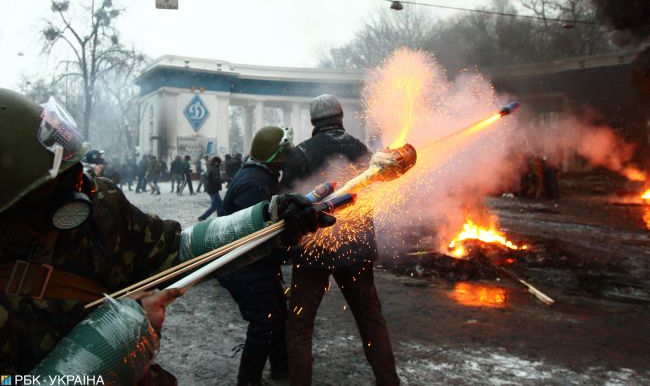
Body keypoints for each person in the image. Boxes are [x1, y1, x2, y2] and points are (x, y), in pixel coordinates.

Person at [0, 88, 336, 381]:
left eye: (75, 170)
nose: (83, 186)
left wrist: (267, 221)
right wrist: (104, 352)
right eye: (62, 182)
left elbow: (177, 248)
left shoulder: (101, 206)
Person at [282, 94, 400, 386]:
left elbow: (286, 202)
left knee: (300, 325)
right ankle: (388, 381)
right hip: (356, 246)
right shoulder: (362, 150)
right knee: (370, 319)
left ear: (313, 121)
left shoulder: (301, 153)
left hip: (313, 246)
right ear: (340, 117)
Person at [219, 126, 295, 385]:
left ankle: (281, 369)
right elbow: (254, 234)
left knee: (277, 315)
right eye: (285, 151)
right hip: (244, 266)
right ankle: (248, 380)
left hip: (257, 265)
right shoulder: (254, 183)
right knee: (264, 322)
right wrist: (288, 245)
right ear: (274, 155)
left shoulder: (261, 175)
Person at [198, 156, 224, 221]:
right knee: (217, 205)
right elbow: (215, 180)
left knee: (217, 205)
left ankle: (203, 217)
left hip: (210, 188)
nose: (220, 164)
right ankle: (219, 217)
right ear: (216, 162)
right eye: (219, 163)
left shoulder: (210, 167)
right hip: (213, 189)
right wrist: (223, 180)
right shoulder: (214, 169)